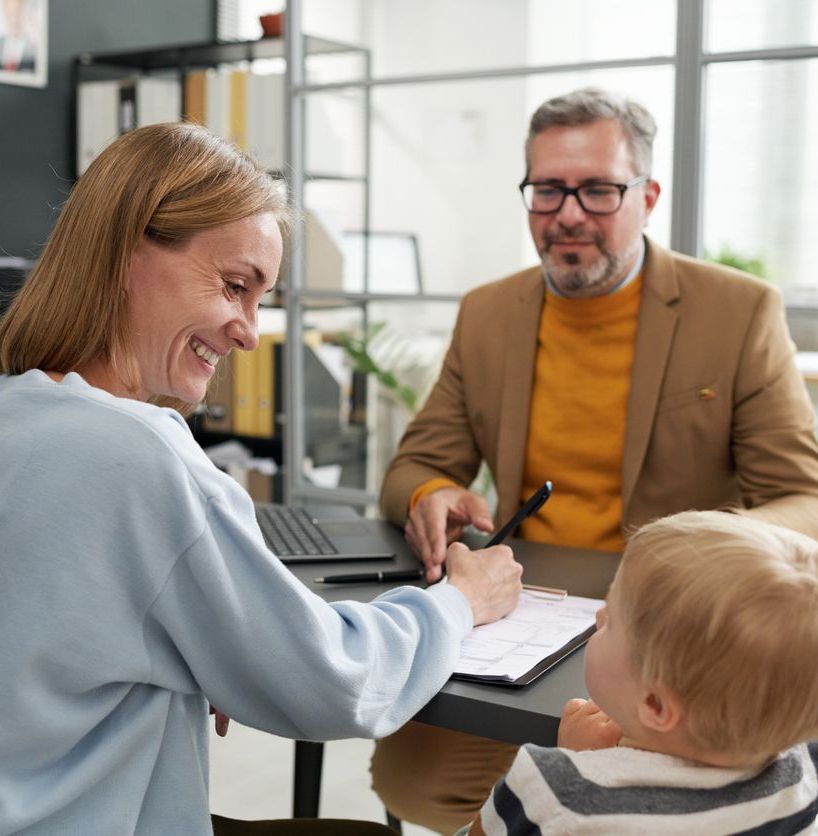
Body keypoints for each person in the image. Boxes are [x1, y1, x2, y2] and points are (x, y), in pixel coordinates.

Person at [0, 122, 523, 835]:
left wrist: (193, 652)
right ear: (126, 252)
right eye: (233, 285)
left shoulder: (18, 409)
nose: (248, 330)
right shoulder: (140, 456)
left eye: (260, 298)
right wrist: (461, 600)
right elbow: (333, 681)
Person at [370, 87, 818, 833]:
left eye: (598, 189)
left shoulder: (738, 310)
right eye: (547, 189)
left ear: (646, 196)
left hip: (659, 635)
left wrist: (691, 570)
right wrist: (431, 491)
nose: (569, 213)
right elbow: (415, 462)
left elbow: (807, 501)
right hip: (521, 619)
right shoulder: (488, 312)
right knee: (408, 781)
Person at [459, 510, 818, 834]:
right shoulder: (807, 767)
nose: (598, 616)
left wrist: (579, 762)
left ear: (655, 705)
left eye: (613, 620)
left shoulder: (559, 792)